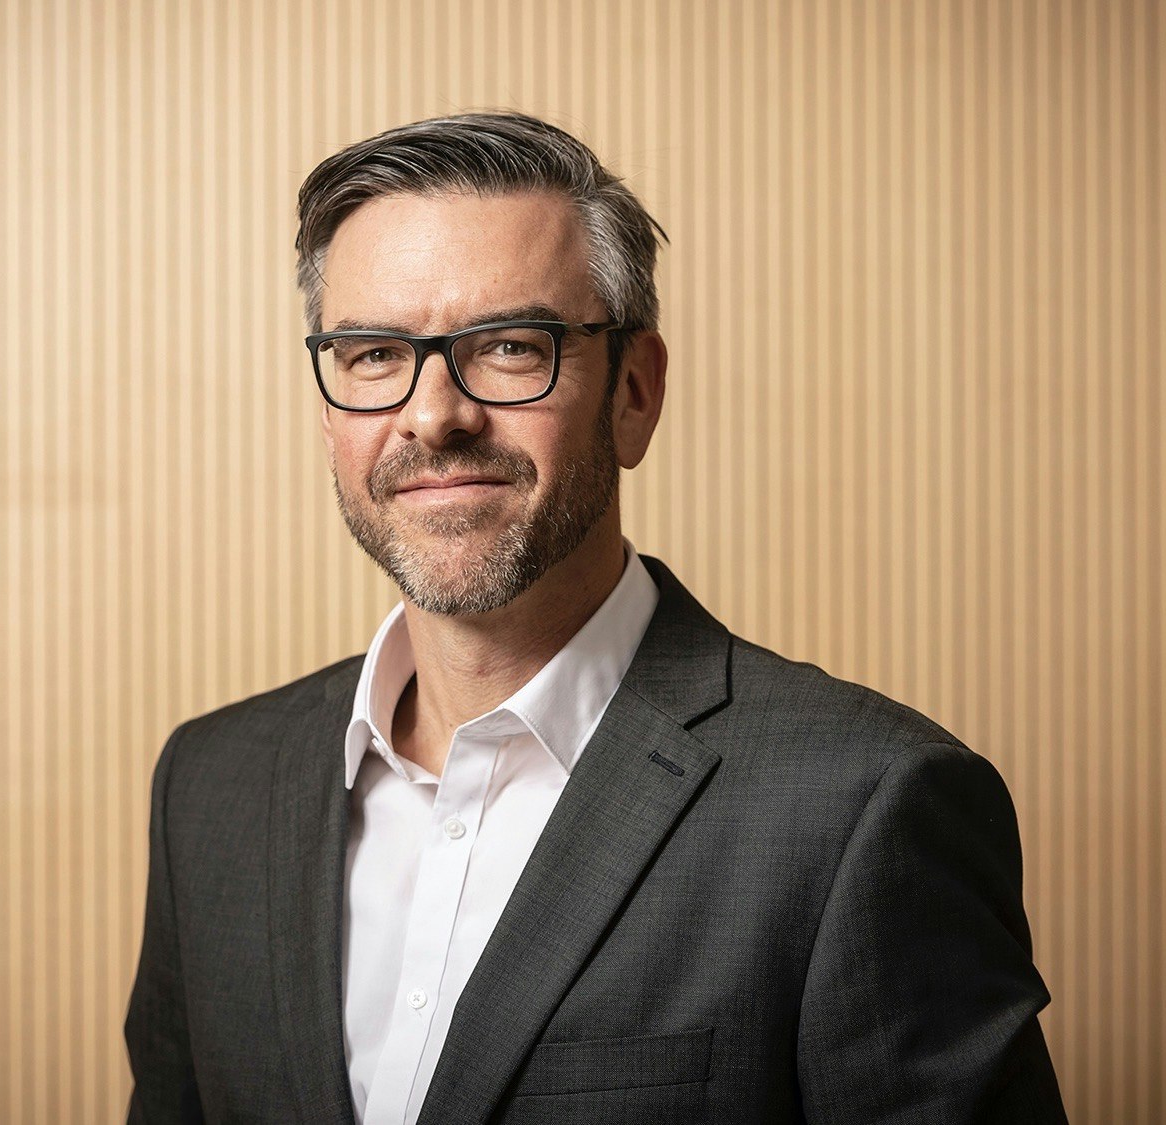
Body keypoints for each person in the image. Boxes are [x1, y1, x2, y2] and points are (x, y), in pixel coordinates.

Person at [125, 110, 1065, 1124]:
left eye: (509, 348)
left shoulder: (863, 808)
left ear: (634, 393)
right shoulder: (209, 789)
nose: (433, 414)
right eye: (371, 355)